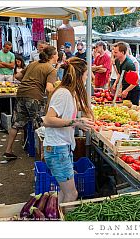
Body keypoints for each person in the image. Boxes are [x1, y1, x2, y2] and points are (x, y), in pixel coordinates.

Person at [43, 57, 94, 203]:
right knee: (72, 194)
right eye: (86, 75)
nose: (87, 78)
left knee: (65, 193)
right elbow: (48, 120)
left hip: (60, 147)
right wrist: (75, 122)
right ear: (79, 76)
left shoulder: (69, 93)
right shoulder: (63, 94)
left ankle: (58, 217)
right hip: (57, 149)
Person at [2, 46, 58, 162]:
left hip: (21, 93)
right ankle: (44, 158)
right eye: (57, 54)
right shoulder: (51, 69)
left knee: (16, 123)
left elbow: (17, 76)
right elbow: (49, 88)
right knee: (40, 125)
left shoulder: (33, 64)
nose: (58, 56)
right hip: (34, 97)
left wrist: (28, 83)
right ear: (53, 56)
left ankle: (8, 150)